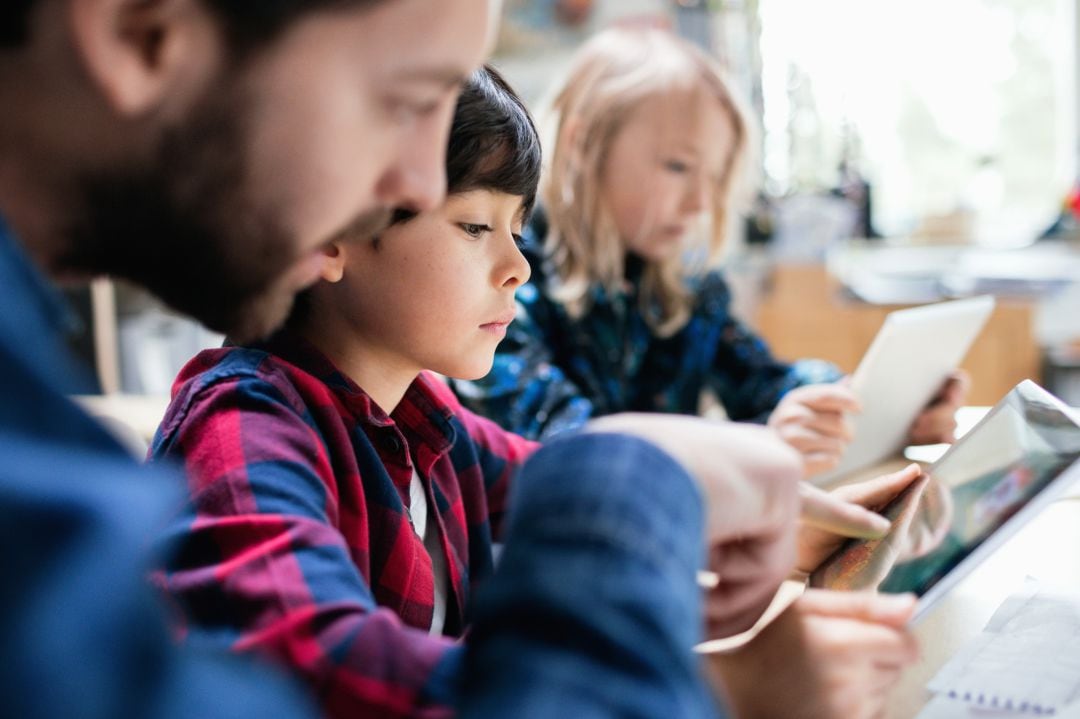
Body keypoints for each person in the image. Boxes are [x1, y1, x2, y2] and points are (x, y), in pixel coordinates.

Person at [0, 2, 915, 717]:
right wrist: (714, 684)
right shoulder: (238, 416)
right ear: (141, 32)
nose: (401, 185)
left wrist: (787, 513)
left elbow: (551, 476)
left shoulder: (428, 425)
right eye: (395, 106)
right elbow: (315, 676)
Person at [449, 27, 967, 477]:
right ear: (585, 147)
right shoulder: (507, 275)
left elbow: (765, 385)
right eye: (677, 167)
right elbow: (560, 440)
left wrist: (856, 404)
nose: (701, 202)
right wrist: (758, 445)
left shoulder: (687, 286)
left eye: (716, 178)